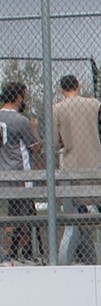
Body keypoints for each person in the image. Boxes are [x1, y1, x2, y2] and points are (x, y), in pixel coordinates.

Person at [53, 74, 101, 263]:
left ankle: (83, 254)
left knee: (76, 209)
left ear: (61, 90)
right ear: (79, 86)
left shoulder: (57, 109)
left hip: (73, 162)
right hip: (97, 159)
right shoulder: (94, 104)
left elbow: (55, 142)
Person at [1, 81, 43, 262]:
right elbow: (35, 148)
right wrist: (35, 130)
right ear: (18, 97)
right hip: (21, 172)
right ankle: (15, 253)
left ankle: (28, 251)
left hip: (4, 171)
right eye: (23, 96)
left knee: (23, 212)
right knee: (22, 215)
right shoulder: (21, 120)